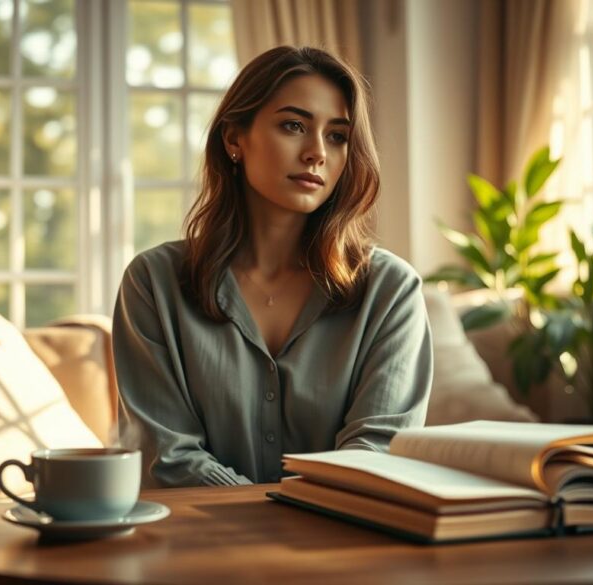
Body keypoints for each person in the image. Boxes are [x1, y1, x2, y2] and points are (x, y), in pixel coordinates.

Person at [113, 46, 433, 488]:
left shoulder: (391, 291)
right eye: (294, 126)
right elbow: (166, 455)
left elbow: (378, 451)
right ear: (234, 140)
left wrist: (288, 519)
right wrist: (272, 516)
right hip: (194, 548)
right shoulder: (153, 283)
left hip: (342, 547)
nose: (317, 152)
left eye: (338, 135)